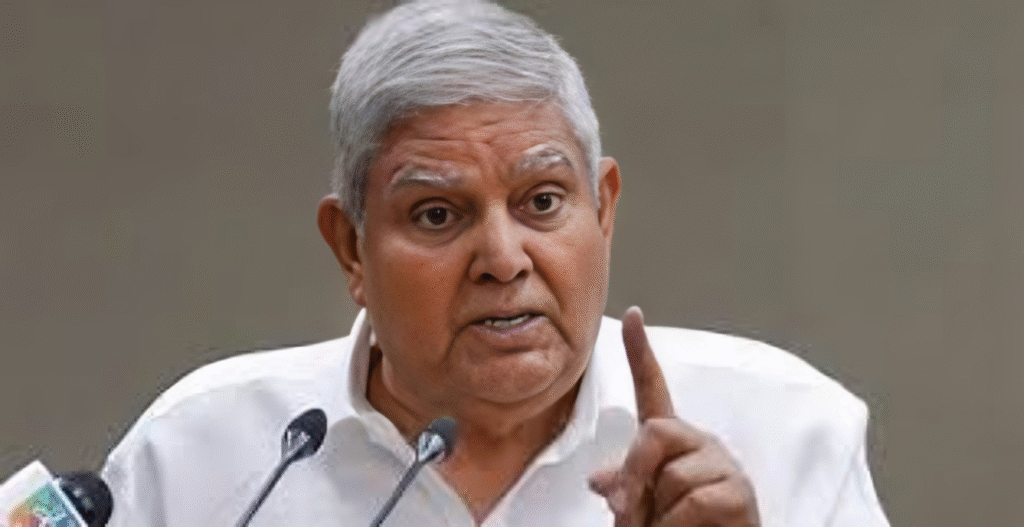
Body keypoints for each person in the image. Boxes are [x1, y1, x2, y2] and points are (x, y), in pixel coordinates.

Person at [101, 1, 890, 526]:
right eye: (437, 215)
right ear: (350, 247)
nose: (503, 260)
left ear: (603, 209)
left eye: (542, 201)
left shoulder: (786, 429)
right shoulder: (201, 452)